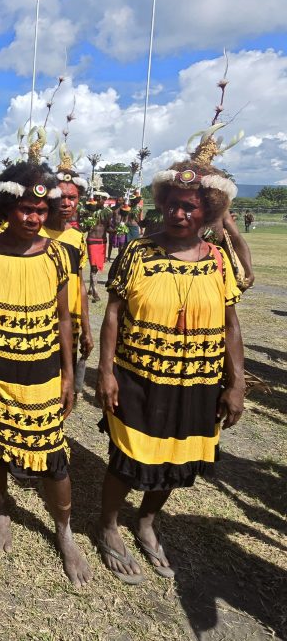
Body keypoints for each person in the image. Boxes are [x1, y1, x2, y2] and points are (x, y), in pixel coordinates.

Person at [96, 148, 245, 584]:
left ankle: (146, 521)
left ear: (208, 211)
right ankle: (107, 524)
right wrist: (105, 372)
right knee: (128, 455)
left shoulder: (218, 260)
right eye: (173, 205)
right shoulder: (137, 252)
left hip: (198, 379)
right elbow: (112, 315)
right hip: (139, 376)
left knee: (177, 457)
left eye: (190, 206)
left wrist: (236, 384)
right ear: (162, 204)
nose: (179, 214)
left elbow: (231, 325)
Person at [0, 160, 91, 587]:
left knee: (52, 456)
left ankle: (64, 533)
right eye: (26, 209)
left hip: (42, 374)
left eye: (41, 210)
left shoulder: (60, 254)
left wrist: (68, 375)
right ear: (7, 208)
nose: (33, 218)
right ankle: (1, 506)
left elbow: (64, 318)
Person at [42, 149, 94, 396]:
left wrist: (87, 327)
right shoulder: (33, 233)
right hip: (41, 319)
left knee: (65, 377)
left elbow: (79, 284)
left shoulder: (77, 238)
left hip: (69, 322)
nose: (66, 203)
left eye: (72, 198)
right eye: (60, 197)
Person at [82, 192, 111, 302]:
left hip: (102, 242)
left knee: (97, 266)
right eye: (97, 198)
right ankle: (95, 291)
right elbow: (84, 228)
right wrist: (87, 225)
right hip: (92, 241)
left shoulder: (107, 213)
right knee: (94, 266)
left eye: (102, 199)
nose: (99, 200)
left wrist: (119, 229)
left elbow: (109, 228)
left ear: (105, 199)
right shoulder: (88, 212)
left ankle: (90, 288)